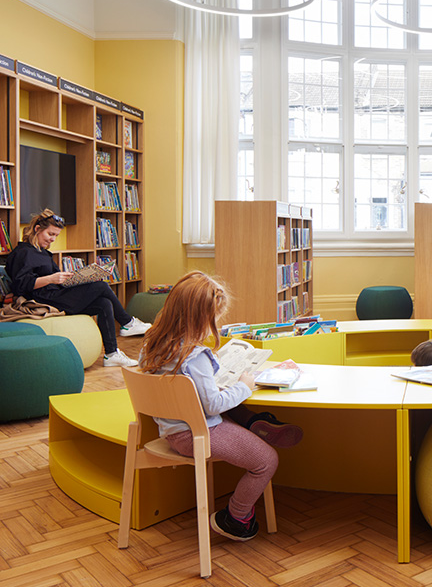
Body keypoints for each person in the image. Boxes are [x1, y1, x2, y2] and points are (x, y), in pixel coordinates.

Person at [138, 270, 301, 542]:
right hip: (197, 434)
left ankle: (252, 423)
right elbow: (213, 406)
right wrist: (244, 385)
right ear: (199, 318)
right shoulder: (193, 356)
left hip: (171, 428)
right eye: (212, 318)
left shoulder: (151, 344)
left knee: (228, 397)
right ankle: (235, 518)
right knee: (267, 461)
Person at [5, 209, 149, 367]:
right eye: (50, 234)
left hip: (57, 293)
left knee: (103, 304)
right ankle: (128, 323)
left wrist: (74, 279)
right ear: (37, 229)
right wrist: (51, 279)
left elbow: (55, 278)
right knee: (101, 286)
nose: (52, 239)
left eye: (56, 236)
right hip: (44, 299)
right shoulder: (22, 252)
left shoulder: (43, 253)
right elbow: (20, 285)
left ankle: (112, 353)